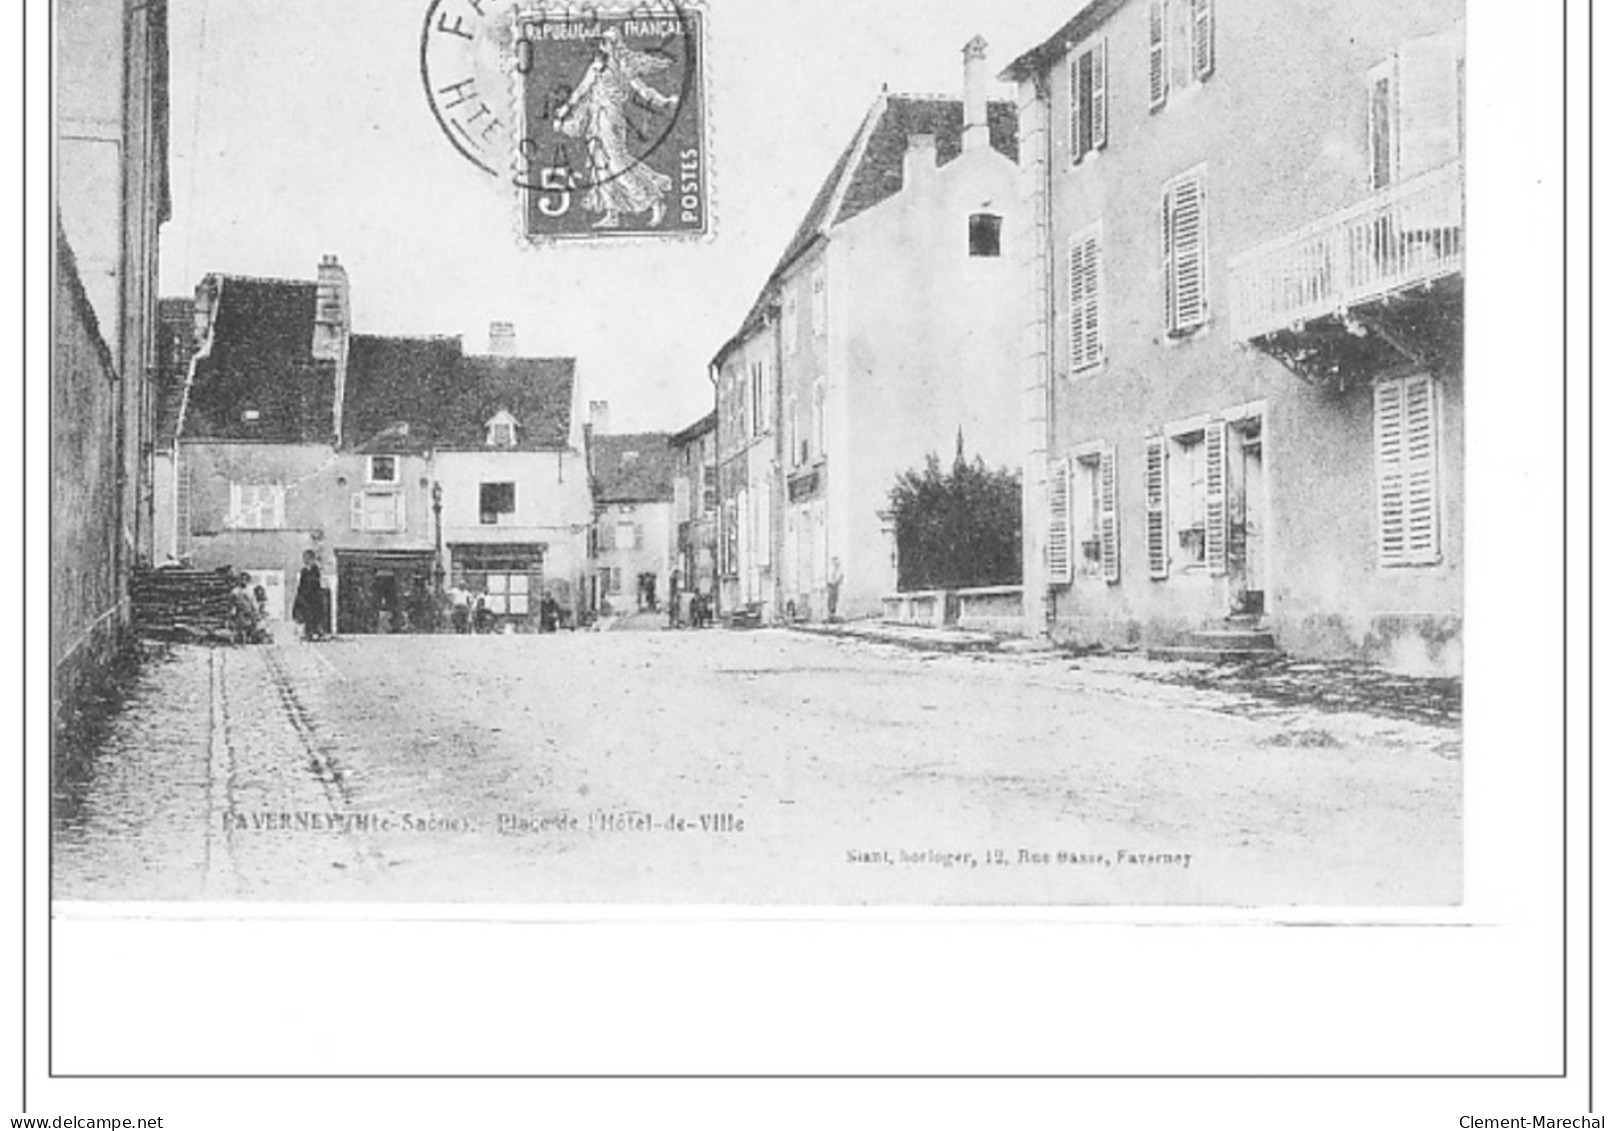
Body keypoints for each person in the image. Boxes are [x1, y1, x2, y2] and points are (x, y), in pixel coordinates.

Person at [551, 28, 679, 230]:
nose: (604, 46)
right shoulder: (596, 67)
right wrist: (563, 111)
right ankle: (612, 214)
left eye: (608, 42)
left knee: (618, 165)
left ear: (615, 45)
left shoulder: (623, 66)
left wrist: (663, 101)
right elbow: (580, 92)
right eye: (603, 42)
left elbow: (641, 89)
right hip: (595, 120)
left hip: (612, 120)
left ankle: (653, 200)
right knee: (600, 166)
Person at [292, 550, 325, 641]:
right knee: (305, 615)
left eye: (308, 558)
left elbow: (316, 585)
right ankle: (308, 633)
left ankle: (316, 632)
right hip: (305, 597)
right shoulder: (304, 571)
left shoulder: (315, 570)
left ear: (312, 559)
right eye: (305, 559)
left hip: (313, 597)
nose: (306, 560)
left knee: (314, 614)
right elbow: (301, 585)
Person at [231, 573, 263, 645]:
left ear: (248, 581)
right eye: (242, 579)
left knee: (251, 625)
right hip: (240, 611)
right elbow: (232, 602)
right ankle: (241, 639)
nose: (243, 581)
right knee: (240, 626)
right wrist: (233, 609)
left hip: (249, 610)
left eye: (245, 580)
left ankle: (249, 638)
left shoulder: (250, 590)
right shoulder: (235, 591)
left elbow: (253, 601)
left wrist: (256, 610)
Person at [826, 557, 845, 622]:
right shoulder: (833, 569)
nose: (834, 563)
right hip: (832, 587)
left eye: (835, 562)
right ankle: (831, 616)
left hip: (836, 587)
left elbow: (839, 578)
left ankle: (834, 616)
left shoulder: (840, 570)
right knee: (831, 601)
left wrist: (834, 583)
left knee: (835, 601)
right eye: (833, 562)